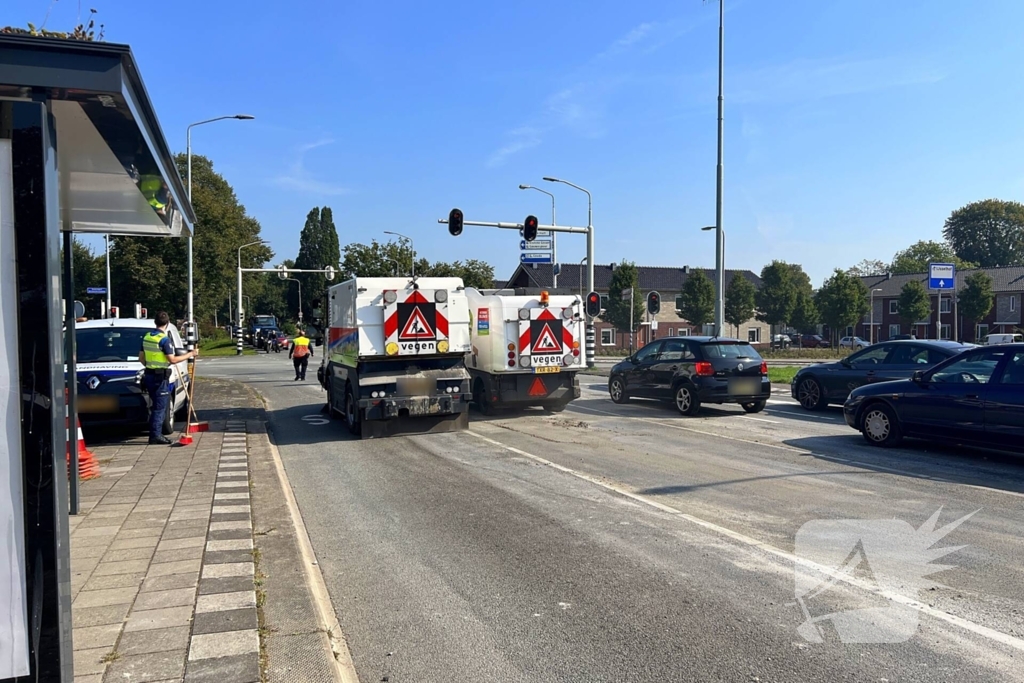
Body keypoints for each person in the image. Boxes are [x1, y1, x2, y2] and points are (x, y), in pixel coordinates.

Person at [141, 311, 197, 445]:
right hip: (160, 377)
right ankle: (155, 436)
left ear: (155, 322)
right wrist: (191, 354)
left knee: (155, 405)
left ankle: (155, 433)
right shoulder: (164, 340)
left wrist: (151, 365)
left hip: (148, 375)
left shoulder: (147, 337)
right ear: (167, 323)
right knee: (160, 407)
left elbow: (141, 358)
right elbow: (172, 360)